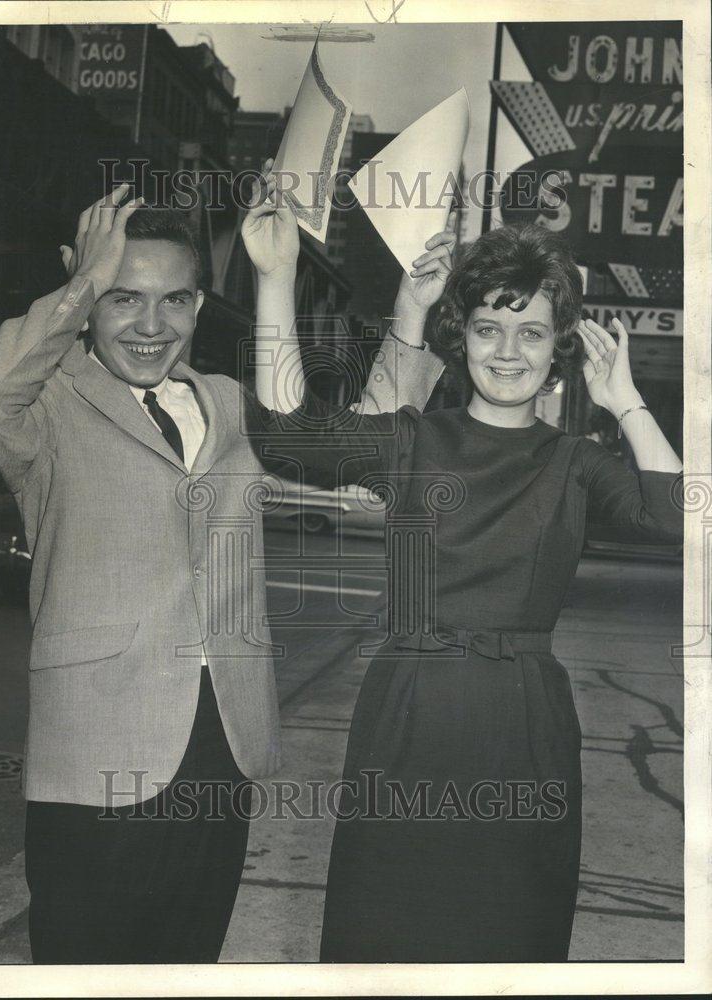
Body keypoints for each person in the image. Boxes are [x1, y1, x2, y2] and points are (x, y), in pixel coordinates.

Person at [0, 183, 433, 963]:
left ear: (199, 309)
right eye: (122, 298)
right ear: (88, 299)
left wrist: (410, 317)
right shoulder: (47, 404)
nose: (151, 325)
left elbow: (366, 449)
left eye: (174, 299)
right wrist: (79, 286)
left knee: (186, 968)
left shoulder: (230, 402)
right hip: (95, 750)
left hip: (223, 746)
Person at [247, 219, 684, 962]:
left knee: (507, 932)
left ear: (558, 349)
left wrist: (625, 402)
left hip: (522, 724)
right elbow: (289, 436)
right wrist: (273, 276)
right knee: (387, 928)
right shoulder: (414, 440)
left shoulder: (575, 462)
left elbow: (680, 519)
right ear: (463, 335)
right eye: (488, 328)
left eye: (531, 333)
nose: (507, 352)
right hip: (409, 709)